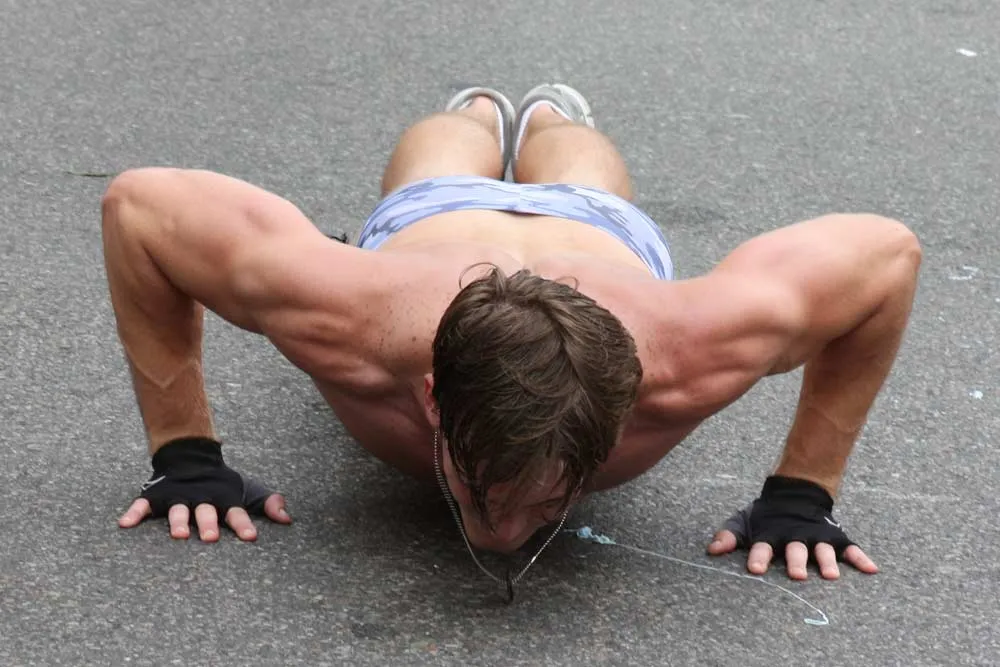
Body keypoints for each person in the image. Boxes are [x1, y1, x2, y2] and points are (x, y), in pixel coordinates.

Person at [102, 83, 920, 586]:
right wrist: (187, 457)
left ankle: (550, 115)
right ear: (433, 397)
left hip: (595, 232)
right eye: (478, 489)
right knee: (439, 162)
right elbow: (139, 208)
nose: (501, 534)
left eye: (548, 500)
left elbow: (887, 257)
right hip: (438, 220)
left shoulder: (694, 358)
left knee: (581, 170)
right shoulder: (350, 319)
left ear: (620, 414)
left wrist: (802, 494)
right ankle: (480, 109)